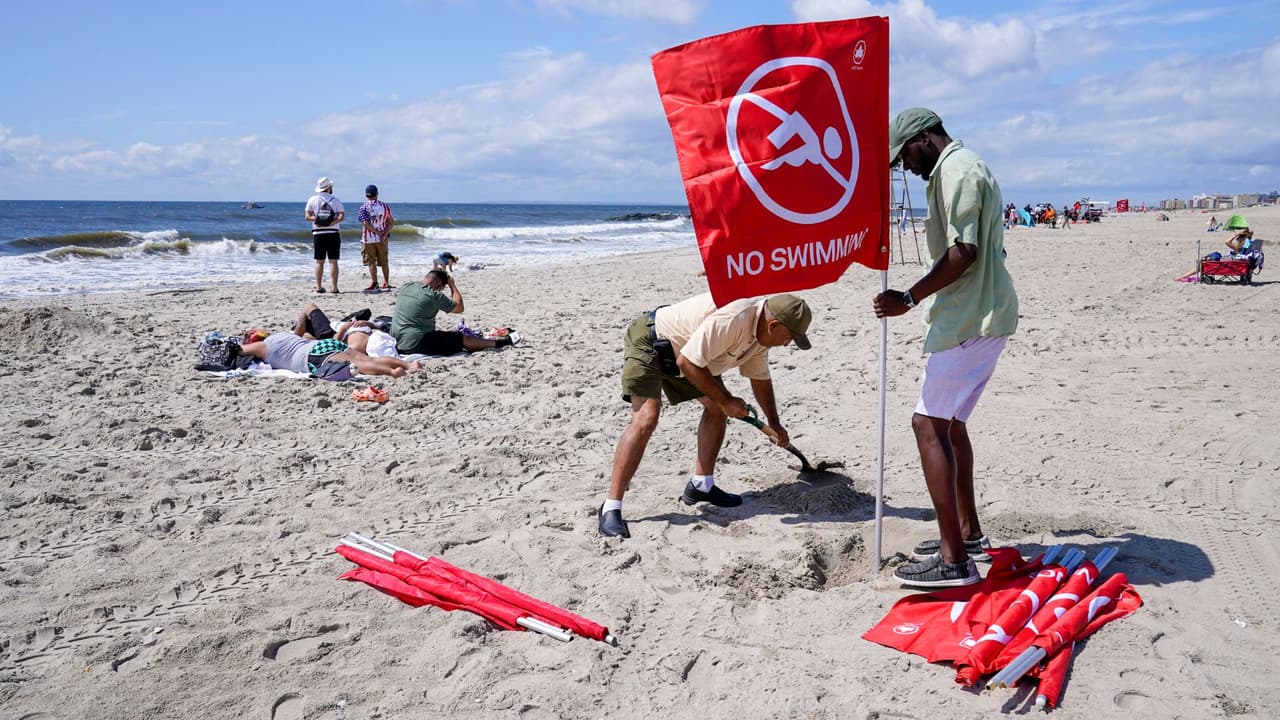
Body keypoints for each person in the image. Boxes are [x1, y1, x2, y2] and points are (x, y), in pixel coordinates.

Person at [873, 108, 1019, 589]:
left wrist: (909, 297)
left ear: (923, 138)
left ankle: (954, 561)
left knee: (928, 425)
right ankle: (967, 534)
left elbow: (965, 251)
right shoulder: (961, 167)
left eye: (904, 158)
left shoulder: (957, 169)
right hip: (981, 312)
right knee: (951, 426)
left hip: (970, 316)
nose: (905, 168)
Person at [598, 292, 813, 539]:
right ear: (773, 325)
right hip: (653, 341)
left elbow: (760, 380)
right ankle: (610, 507)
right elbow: (687, 363)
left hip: (688, 355)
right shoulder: (734, 319)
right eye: (789, 338)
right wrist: (727, 401)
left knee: (716, 409)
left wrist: (774, 423)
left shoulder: (761, 336)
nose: (786, 344)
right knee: (647, 417)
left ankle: (701, 485)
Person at [391, 269, 521, 356]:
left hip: (397, 341)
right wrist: (452, 285)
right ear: (438, 284)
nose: (440, 291)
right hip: (414, 344)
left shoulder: (407, 286)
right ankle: (503, 342)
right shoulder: (433, 295)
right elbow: (459, 307)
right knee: (461, 338)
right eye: (442, 288)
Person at [239, 332, 420, 377]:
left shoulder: (262, 347)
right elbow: (306, 335)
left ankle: (392, 372)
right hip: (322, 344)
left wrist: (242, 346)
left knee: (360, 365)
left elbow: (240, 351)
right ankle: (408, 364)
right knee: (368, 359)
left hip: (312, 355)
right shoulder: (281, 335)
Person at [305, 177, 345, 294]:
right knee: (333, 261)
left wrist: (319, 222)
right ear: (329, 187)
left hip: (318, 233)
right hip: (333, 233)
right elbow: (341, 216)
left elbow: (307, 217)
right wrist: (330, 223)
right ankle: (334, 288)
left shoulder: (313, 199)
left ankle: (318, 287)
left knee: (319, 261)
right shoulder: (336, 200)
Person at [357, 184, 394, 292]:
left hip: (368, 239)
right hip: (382, 239)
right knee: (384, 261)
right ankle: (386, 282)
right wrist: (384, 234)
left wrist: (377, 233)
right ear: (377, 194)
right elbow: (391, 222)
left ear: (366, 195)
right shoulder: (384, 206)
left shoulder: (363, 207)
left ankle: (375, 283)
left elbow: (365, 223)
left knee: (371, 262)